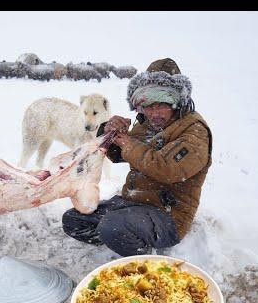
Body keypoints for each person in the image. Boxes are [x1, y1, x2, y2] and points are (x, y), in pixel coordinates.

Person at [61, 58, 212, 256]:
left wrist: (128, 143)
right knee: (74, 219)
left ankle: (142, 258)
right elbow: (119, 155)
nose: (154, 113)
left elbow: (168, 170)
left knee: (111, 226)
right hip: (133, 203)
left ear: (177, 101)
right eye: (148, 105)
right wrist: (109, 132)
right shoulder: (148, 123)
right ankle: (121, 238)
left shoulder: (194, 132)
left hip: (168, 216)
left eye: (162, 105)